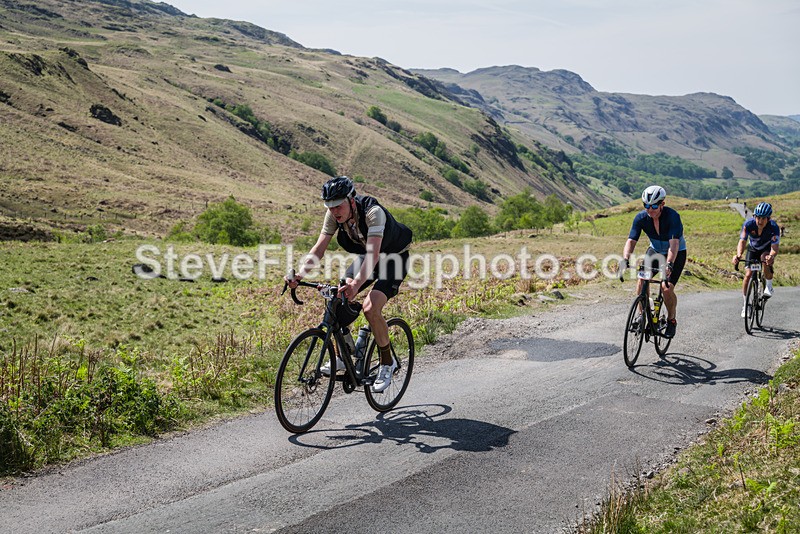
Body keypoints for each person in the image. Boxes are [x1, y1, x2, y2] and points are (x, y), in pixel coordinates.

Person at [285, 176, 412, 392]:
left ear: (351, 199)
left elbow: (373, 256)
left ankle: (387, 362)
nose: (335, 211)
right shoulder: (333, 216)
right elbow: (319, 249)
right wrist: (299, 274)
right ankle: (342, 355)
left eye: (338, 205)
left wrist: (355, 285)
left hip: (393, 259)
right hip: (368, 257)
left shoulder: (373, 213)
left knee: (371, 308)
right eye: (330, 206)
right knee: (337, 297)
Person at [619, 185, 687, 338]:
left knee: (666, 288)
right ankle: (643, 316)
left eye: (654, 206)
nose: (650, 209)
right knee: (642, 280)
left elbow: (674, 244)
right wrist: (625, 258)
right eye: (646, 206)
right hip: (655, 252)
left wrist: (669, 263)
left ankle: (671, 319)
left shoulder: (672, 217)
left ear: (662, 204)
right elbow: (631, 240)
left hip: (676, 253)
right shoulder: (641, 218)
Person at [732, 201, 780, 318]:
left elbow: (775, 247)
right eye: (757, 217)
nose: (760, 221)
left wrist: (771, 256)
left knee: (765, 258)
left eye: (763, 218)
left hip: (766, 249)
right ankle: (745, 305)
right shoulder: (748, 224)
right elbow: (742, 241)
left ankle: (769, 286)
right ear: (754, 217)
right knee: (748, 274)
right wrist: (738, 255)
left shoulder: (773, 227)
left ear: (768, 219)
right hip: (753, 249)